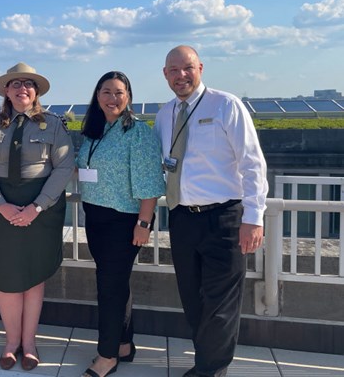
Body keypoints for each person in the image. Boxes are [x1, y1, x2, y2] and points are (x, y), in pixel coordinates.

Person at [154, 45, 268, 377]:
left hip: (224, 218)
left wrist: (253, 217)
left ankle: (209, 370)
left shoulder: (225, 105)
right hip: (182, 217)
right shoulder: (165, 114)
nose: (181, 75)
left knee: (221, 304)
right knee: (193, 299)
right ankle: (207, 360)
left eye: (187, 68)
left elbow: (252, 164)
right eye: (173, 70)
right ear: (165, 75)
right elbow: (157, 164)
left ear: (200, 68)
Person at [0, 62, 75, 372]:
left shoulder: (54, 125)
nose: (22, 89)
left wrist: (37, 206)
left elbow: (64, 167)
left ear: (36, 91)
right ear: (6, 90)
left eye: (28, 84)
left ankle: (29, 344)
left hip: (41, 211)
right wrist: (0, 205)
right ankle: (10, 342)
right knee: (7, 279)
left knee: (32, 278)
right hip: (3, 209)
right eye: (15, 84)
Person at [76, 71, 165, 377]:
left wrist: (144, 222)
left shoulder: (138, 132)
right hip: (95, 217)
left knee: (109, 288)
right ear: (96, 95)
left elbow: (151, 182)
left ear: (129, 96)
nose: (112, 98)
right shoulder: (93, 131)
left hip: (124, 220)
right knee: (116, 284)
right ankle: (124, 344)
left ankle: (107, 356)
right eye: (106, 92)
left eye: (118, 92)